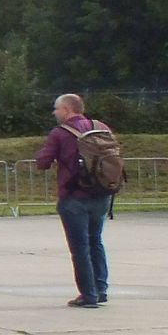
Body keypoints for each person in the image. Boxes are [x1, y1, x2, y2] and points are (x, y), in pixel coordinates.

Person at [35, 92, 110, 308]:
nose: (54, 112)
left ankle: (88, 295)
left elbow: (43, 162)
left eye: (56, 108)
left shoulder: (60, 133)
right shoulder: (101, 127)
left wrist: (42, 158)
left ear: (67, 110)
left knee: (80, 247)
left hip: (74, 196)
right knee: (96, 241)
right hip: (101, 194)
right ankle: (101, 288)